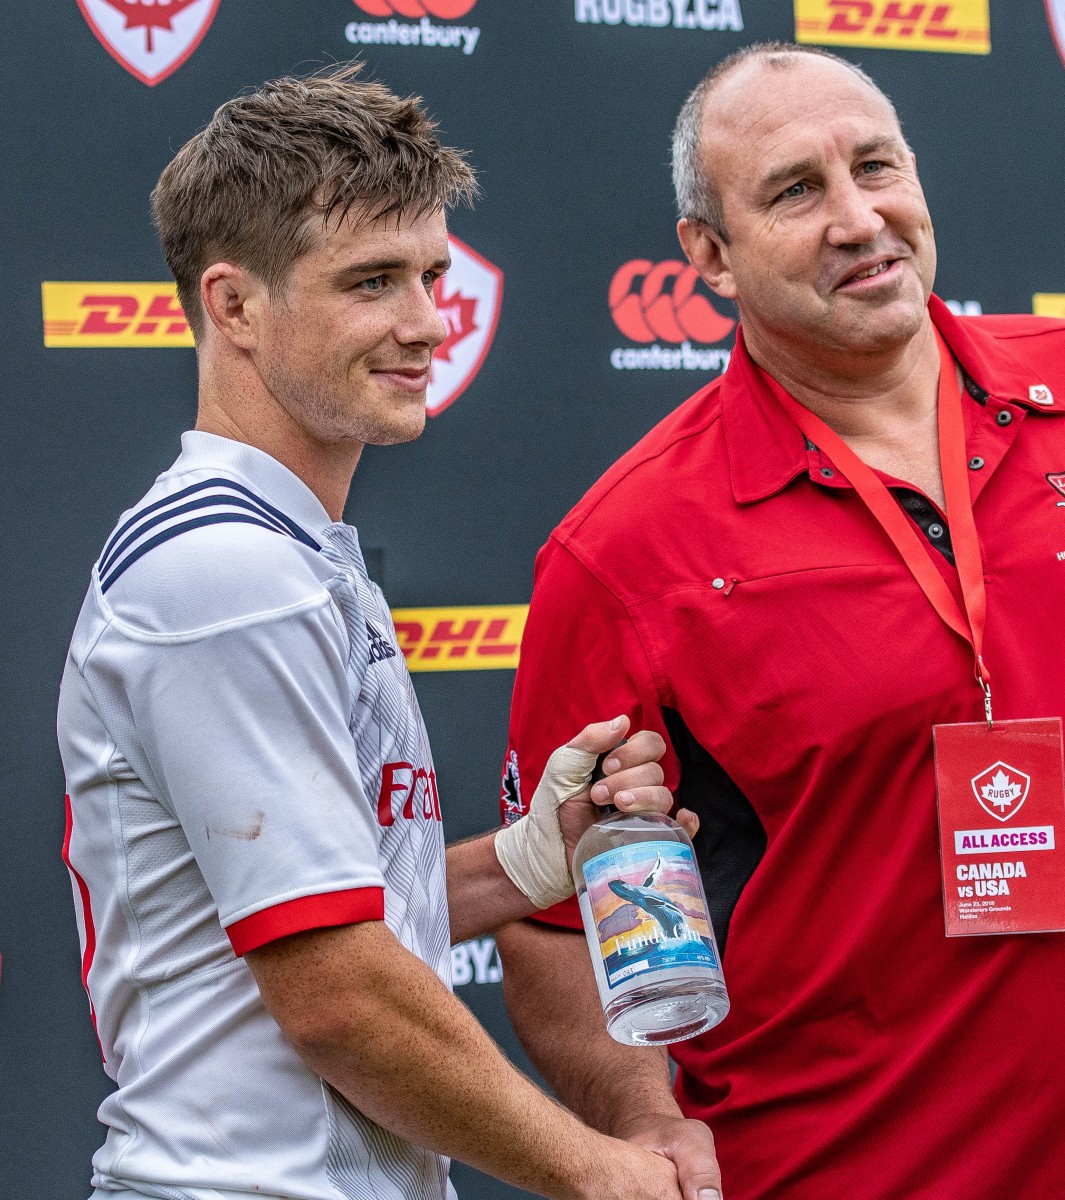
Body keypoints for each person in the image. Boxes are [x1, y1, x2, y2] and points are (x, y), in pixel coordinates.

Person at [494, 42, 1065, 1200]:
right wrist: (647, 1122)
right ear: (708, 254)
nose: (858, 218)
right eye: (795, 190)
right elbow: (546, 923)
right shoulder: (625, 547)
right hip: (835, 1172)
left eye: (876, 167)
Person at [56, 65, 694, 1200]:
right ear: (233, 305)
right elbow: (340, 996)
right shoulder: (231, 571)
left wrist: (522, 861)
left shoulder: (282, 548)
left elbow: (304, 911)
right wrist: (597, 1171)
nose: (423, 322)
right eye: (371, 282)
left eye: (432, 275)